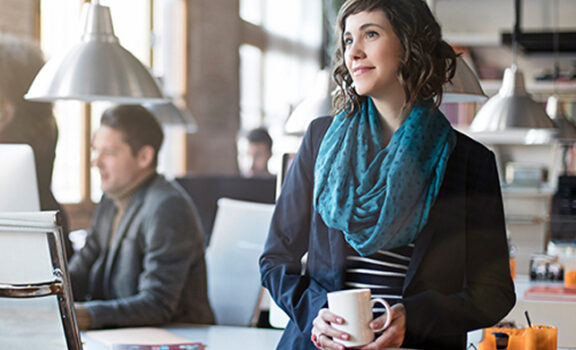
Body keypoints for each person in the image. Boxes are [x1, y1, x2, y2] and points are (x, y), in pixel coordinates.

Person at [259, 1, 516, 349]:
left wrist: (415, 317)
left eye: (371, 34)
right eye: (348, 39)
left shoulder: (469, 162)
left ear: (411, 45)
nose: (355, 52)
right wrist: (316, 312)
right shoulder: (320, 141)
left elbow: (494, 293)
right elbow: (276, 259)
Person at [69, 105, 214, 329]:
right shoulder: (111, 201)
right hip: (124, 336)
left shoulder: (168, 208)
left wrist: (87, 315)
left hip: (176, 337)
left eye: (108, 153)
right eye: (95, 150)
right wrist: (42, 295)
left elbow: (157, 304)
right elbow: (81, 269)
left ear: (144, 156)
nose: (95, 162)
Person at [0, 32, 72, 258]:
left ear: (22, 99)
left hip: (37, 232)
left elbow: (36, 190)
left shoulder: (41, 131)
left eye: (8, 96)